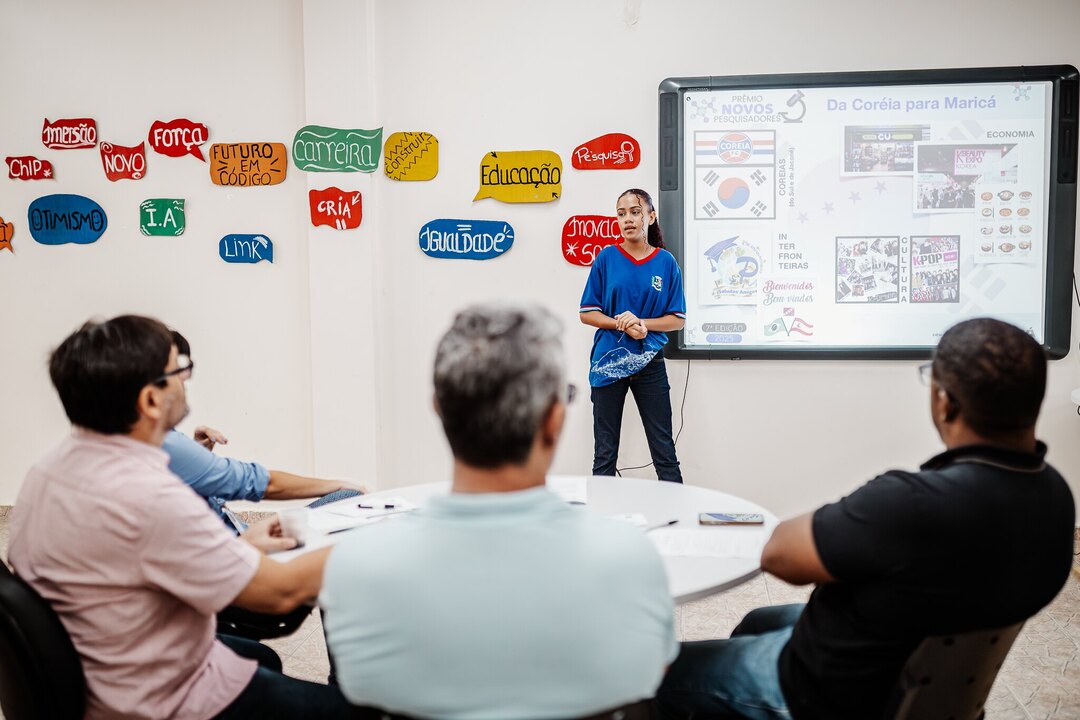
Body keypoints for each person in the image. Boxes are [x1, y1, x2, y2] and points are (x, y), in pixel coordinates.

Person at [655, 318, 1075, 720]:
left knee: (658, 675)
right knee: (757, 621)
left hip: (832, 695)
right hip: (913, 666)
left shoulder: (911, 505)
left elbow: (781, 555)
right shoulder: (1056, 496)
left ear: (945, 401)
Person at [321, 303, 678, 719]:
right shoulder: (628, 558)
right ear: (554, 420)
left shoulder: (358, 568)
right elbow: (652, 673)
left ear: (439, 407)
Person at [8, 315, 352, 719]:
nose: (186, 378)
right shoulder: (151, 495)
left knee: (260, 659)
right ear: (151, 400)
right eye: (179, 369)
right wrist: (363, 538)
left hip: (105, 670)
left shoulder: (46, 472)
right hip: (166, 698)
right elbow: (280, 594)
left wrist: (239, 546)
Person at [165, 330, 362, 535]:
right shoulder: (167, 445)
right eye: (176, 372)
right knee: (350, 497)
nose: (184, 380)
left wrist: (195, 454)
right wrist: (337, 484)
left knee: (348, 502)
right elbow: (260, 484)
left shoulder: (162, 443)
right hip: (243, 546)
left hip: (242, 533)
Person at [580, 188, 686, 483]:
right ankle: (599, 522)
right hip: (607, 365)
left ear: (651, 217)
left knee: (664, 451)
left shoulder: (666, 263)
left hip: (650, 364)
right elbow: (587, 312)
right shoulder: (606, 258)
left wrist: (643, 323)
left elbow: (677, 320)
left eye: (635, 212)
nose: (628, 219)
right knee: (604, 454)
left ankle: (677, 521)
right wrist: (621, 324)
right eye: (621, 213)